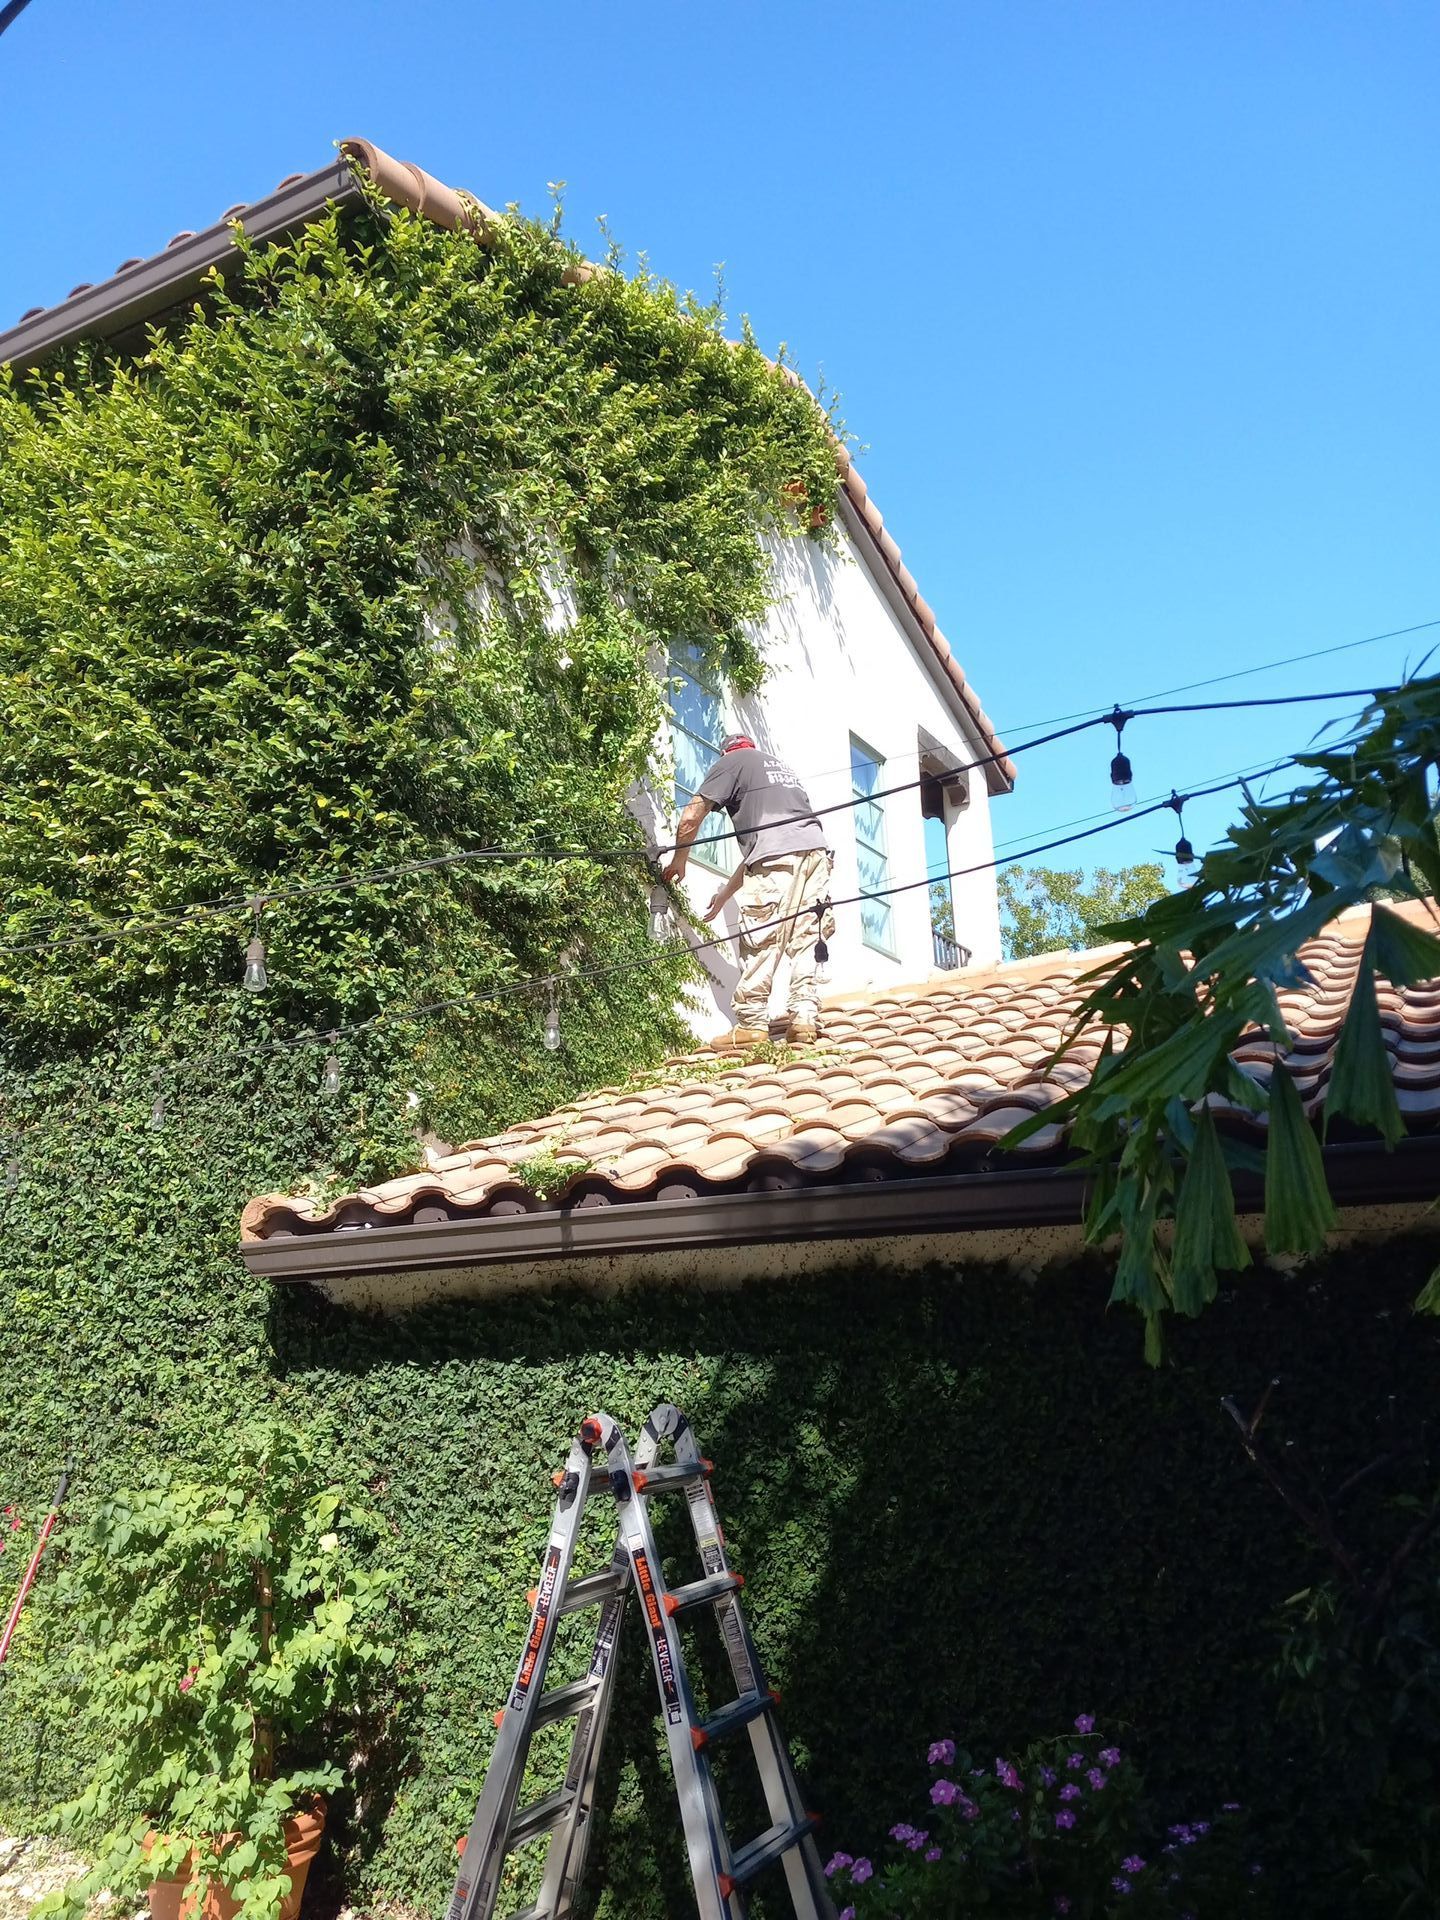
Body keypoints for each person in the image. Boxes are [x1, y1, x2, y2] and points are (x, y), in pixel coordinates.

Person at [660, 732, 836, 1049]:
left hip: (780, 860)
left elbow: (690, 817)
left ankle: (752, 1024)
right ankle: (805, 1018)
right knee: (809, 937)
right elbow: (770, 848)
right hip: (817, 857)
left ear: (726, 752)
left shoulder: (731, 762)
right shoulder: (781, 770)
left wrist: (680, 860)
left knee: (762, 935)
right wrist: (725, 895)